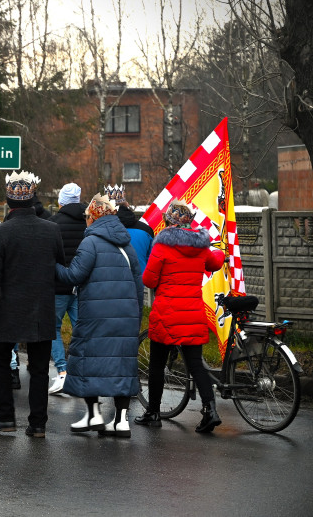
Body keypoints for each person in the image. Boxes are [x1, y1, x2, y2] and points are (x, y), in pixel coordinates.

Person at [0, 171, 64, 437]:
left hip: (9, 308)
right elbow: (59, 265)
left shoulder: (1, 233)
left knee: (1, 361)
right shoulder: (52, 230)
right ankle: (38, 423)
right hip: (42, 308)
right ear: (32, 200)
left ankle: (5, 417)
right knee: (39, 368)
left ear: (9, 202)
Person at [55, 194, 145, 438]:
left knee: (88, 361)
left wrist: (53, 265)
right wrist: (135, 318)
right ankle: (122, 421)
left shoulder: (91, 242)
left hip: (95, 316)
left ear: (93, 217)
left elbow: (74, 276)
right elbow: (139, 285)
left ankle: (94, 414)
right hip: (126, 316)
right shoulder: (127, 245)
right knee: (123, 365)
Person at [135, 200, 226, 433]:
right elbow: (215, 261)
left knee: (156, 364)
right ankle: (210, 410)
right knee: (196, 364)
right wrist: (216, 251)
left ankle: (153, 412)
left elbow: (148, 280)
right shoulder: (200, 246)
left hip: (166, 315)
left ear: (169, 221)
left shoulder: (162, 246)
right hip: (192, 314)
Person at [47, 182, 88, 394]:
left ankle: (62, 373)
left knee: (52, 329)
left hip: (57, 284)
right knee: (82, 330)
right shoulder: (88, 222)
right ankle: (81, 374)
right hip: (81, 285)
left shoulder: (52, 223)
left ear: (61, 201)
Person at [108, 184, 155, 269]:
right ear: (127, 205)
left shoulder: (101, 231)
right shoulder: (146, 230)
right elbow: (152, 261)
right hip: (140, 279)